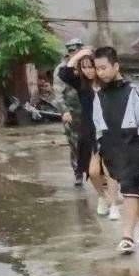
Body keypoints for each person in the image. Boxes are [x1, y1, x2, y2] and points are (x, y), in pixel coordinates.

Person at [91, 46, 139, 255]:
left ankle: (127, 235)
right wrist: (102, 147)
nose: (100, 72)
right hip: (113, 148)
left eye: (104, 67)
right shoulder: (99, 96)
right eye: (98, 69)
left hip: (134, 146)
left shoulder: (134, 92)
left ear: (116, 66)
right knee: (135, 191)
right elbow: (98, 124)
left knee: (130, 189)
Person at [58, 47, 120, 221]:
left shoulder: (107, 84)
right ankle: (103, 196)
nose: (88, 70)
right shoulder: (81, 85)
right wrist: (79, 54)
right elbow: (64, 73)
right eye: (84, 67)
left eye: (91, 66)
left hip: (108, 131)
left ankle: (114, 205)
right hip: (89, 132)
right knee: (92, 172)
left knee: (109, 170)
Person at [56, 38, 85, 184]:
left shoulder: (86, 66)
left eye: (77, 50)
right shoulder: (62, 69)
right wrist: (64, 111)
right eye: (72, 51)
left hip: (87, 110)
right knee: (75, 143)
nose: (74, 53)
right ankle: (78, 172)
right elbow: (58, 93)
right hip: (72, 112)